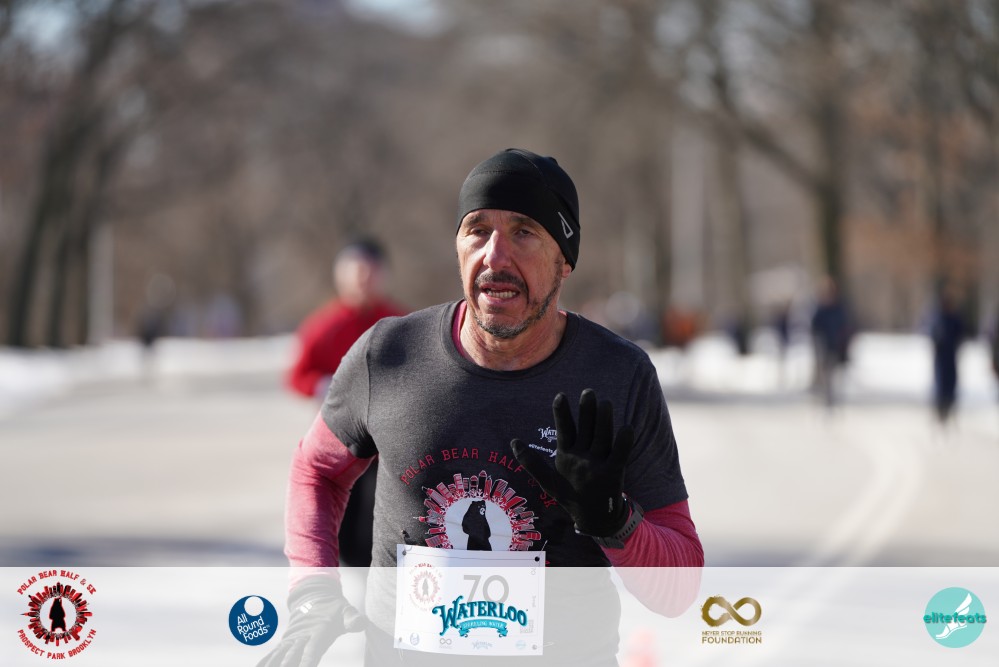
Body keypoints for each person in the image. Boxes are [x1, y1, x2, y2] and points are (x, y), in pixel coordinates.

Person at [260, 148, 703, 667]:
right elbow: (316, 470)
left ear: (564, 259)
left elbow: (678, 590)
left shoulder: (617, 376)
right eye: (477, 230)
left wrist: (615, 522)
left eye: (524, 232)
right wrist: (312, 590)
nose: (495, 256)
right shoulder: (390, 353)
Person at [285, 237, 405, 567]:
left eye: (371, 272)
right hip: (339, 437)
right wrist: (322, 385)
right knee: (342, 517)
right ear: (341, 275)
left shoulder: (400, 324)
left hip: (387, 440)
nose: (363, 280)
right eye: (356, 272)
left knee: (380, 514)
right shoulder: (322, 326)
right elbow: (296, 376)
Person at [810, 275, 853, 408]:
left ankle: (832, 397)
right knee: (827, 373)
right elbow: (815, 327)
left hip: (836, 346)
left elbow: (845, 326)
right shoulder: (821, 310)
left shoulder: (839, 309)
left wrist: (844, 342)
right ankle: (827, 397)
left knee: (834, 373)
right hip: (824, 347)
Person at [928, 287, 968, 425]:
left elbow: (961, 334)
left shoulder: (955, 319)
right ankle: (940, 410)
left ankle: (949, 408)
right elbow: (932, 334)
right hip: (940, 358)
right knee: (940, 385)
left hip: (951, 357)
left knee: (951, 385)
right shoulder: (938, 318)